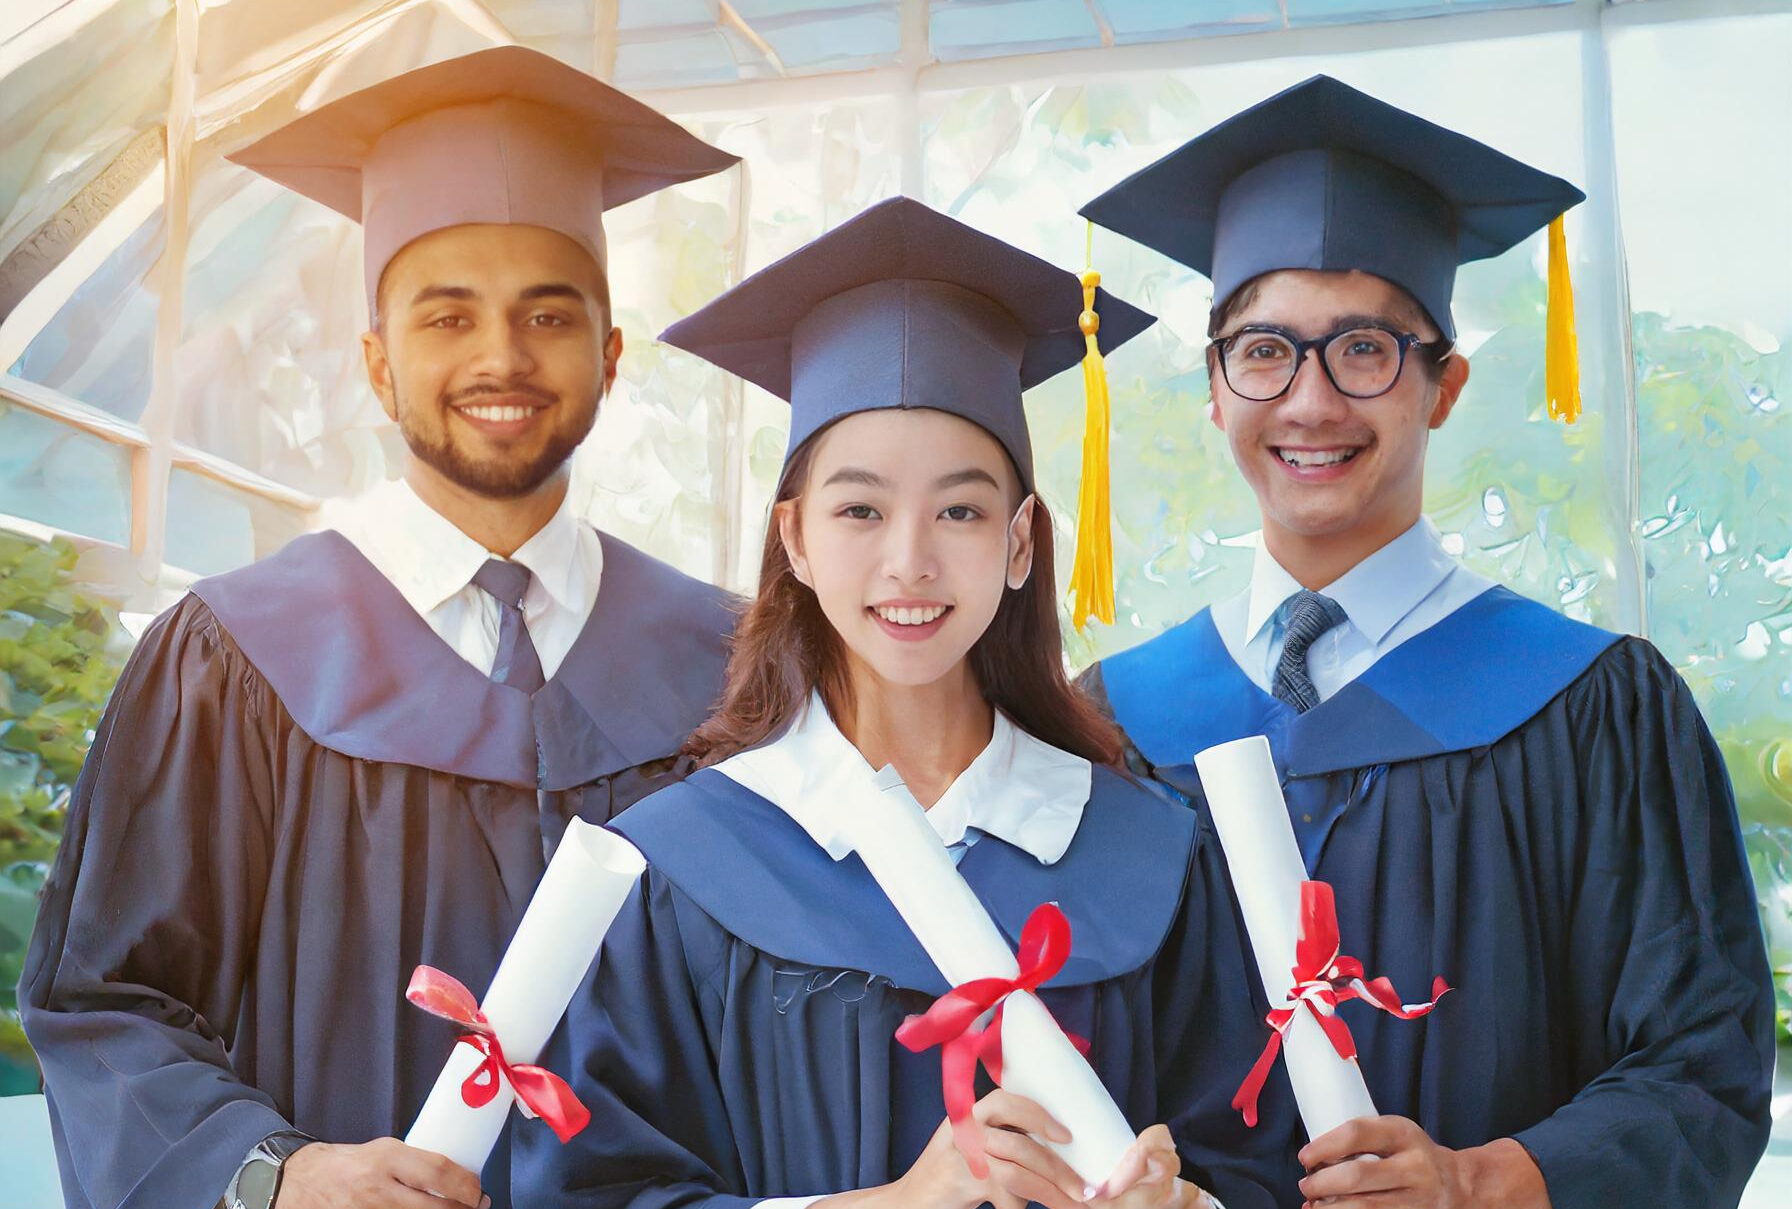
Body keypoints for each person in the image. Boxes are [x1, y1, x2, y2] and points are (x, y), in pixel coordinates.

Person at [19, 45, 739, 1209]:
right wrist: (277, 1176)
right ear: (375, 362)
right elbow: (107, 1001)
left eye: (546, 315)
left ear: (611, 355)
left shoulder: (728, 664)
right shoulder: (236, 654)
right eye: (446, 316)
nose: (500, 357)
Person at [1075, 75, 1775, 1208]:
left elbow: (1705, 1068)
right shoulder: (1112, 719)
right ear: (1213, 389)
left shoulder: (1590, 704)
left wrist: (1479, 1181)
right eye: (1261, 352)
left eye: (1362, 350)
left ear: (1442, 386)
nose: (1307, 403)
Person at [510, 195, 1290, 1209]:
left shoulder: (1150, 853)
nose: (909, 561)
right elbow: (591, 1195)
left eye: (960, 510)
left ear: (1018, 544)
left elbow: (1254, 1167)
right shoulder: (680, 867)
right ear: (794, 538)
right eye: (860, 509)